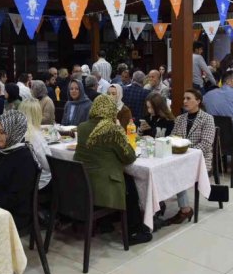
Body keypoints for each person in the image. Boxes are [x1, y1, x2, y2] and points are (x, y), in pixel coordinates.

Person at [73, 95, 152, 244]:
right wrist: (120, 130)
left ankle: (106, 222)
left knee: (121, 177)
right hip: (104, 187)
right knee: (130, 183)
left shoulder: (82, 127)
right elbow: (129, 157)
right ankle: (133, 230)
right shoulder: (112, 130)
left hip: (84, 182)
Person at [0, 111, 38, 229]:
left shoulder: (24, 159)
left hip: (10, 214)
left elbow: (15, 198)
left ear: (14, 132)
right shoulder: (0, 151)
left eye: (2, 132)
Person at [168, 89, 215, 224]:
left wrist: (187, 153)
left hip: (200, 159)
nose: (185, 101)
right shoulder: (180, 119)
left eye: (188, 98)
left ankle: (185, 209)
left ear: (198, 101)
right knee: (163, 170)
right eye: (184, 98)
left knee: (177, 173)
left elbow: (206, 143)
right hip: (180, 157)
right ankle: (159, 206)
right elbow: (172, 138)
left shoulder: (207, 118)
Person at [18, 100, 52, 190]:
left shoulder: (15, 132)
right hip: (39, 182)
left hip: (20, 180)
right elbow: (48, 164)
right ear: (37, 114)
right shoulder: (35, 136)